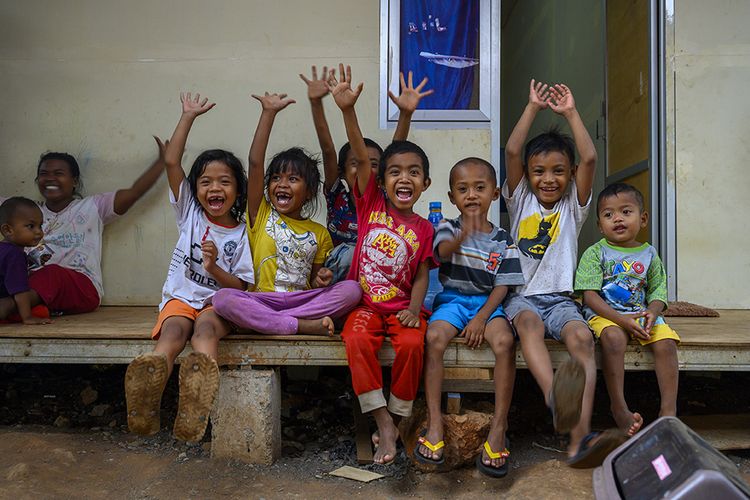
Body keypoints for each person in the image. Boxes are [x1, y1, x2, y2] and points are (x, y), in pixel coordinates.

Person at [503, 79, 624, 467]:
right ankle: (556, 396)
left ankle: (578, 438)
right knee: (528, 327)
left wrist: (571, 113)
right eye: (539, 171)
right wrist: (532, 108)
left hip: (560, 298)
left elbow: (589, 159)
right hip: (522, 295)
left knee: (581, 339)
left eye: (558, 171)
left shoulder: (575, 205)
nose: (548, 179)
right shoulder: (519, 197)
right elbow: (511, 149)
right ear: (528, 174)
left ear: (569, 175)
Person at [125, 92, 254, 442]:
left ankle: (197, 400)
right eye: (206, 181)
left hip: (216, 304)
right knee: (173, 332)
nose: (215, 187)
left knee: (206, 331)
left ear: (238, 189)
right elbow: (171, 162)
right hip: (180, 298)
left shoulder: (242, 232)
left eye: (224, 181)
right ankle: (150, 388)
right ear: (194, 189)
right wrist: (188, 116)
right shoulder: (190, 215)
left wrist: (214, 269)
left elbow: (242, 288)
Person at [330, 64, 434, 465]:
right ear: (380, 180)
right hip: (366, 307)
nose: (403, 178)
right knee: (355, 340)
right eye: (394, 173)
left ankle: (398, 417)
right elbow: (365, 155)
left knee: (411, 345)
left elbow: (423, 272)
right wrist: (347, 112)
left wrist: (412, 309)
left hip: (402, 310)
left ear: (425, 183)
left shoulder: (424, 227)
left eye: (413, 173)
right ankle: (382, 423)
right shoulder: (370, 202)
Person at [211, 91, 362, 336]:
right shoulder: (260, 214)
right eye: (276, 178)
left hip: (303, 302)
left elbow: (314, 281)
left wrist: (321, 279)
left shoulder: (319, 234)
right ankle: (299, 326)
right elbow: (255, 163)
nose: (282, 184)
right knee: (223, 299)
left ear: (310, 192)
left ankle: (267, 323)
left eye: (293, 179)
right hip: (262, 299)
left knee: (352, 290)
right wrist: (268, 114)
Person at [416, 158, 524, 477]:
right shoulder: (448, 227)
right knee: (434, 338)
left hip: (487, 303)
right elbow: (443, 253)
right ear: (452, 197)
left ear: (494, 194)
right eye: (463, 189)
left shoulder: (504, 239)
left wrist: (481, 317)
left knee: (504, 341)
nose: (472, 195)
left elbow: (503, 286)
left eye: (480, 187)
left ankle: (499, 427)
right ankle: (435, 423)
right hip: (451, 300)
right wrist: (466, 233)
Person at [300, 66, 433, 282]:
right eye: (359, 164)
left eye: (375, 165)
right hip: (341, 264)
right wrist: (317, 104)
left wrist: (405, 115)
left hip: (374, 264)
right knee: (350, 254)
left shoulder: (381, 199)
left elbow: (396, 156)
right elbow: (327, 149)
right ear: (342, 172)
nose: (368, 170)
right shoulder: (336, 194)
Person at [0, 142, 166, 315]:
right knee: (12, 263)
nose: (50, 179)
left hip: (82, 289)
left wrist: (162, 162)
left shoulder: (93, 207)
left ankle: (10, 307)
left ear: (74, 181)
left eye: (59, 174)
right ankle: (30, 308)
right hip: (31, 286)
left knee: (52, 273)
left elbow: (134, 192)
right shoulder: (23, 210)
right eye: (43, 174)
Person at [575, 182, 678, 436]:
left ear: (642, 219)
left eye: (626, 212)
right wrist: (621, 320)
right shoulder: (595, 253)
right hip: (605, 314)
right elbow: (589, 296)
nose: (617, 219)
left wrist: (653, 312)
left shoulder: (649, 254)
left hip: (640, 313)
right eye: (608, 215)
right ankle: (618, 406)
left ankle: (669, 412)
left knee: (666, 344)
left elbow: (658, 292)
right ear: (600, 225)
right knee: (613, 339)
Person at [0, 197, 51, 324]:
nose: (39, 232)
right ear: (7, 230)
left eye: (40, 226)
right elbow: (20, 291)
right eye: (31, 226)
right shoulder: (15, 255)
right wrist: (27, 317)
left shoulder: (4, 249)